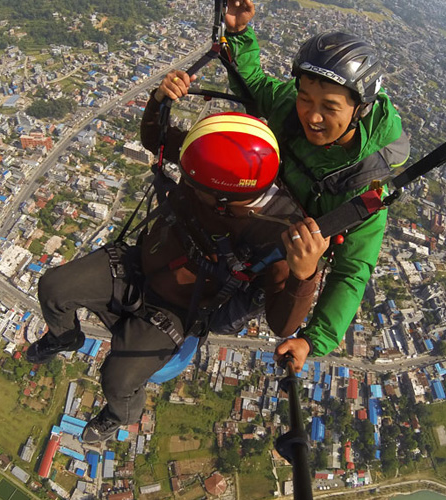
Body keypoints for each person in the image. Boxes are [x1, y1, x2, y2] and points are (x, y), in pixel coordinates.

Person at [26, 78, 329, 443]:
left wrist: (304, 274)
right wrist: (159, 99)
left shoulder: (277, 233)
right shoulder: (213, 166)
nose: (186, 182)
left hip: (176, 311)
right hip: (138, 265)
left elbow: (283, 324)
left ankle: (122, 413)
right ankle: (65, 338)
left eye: (195, 183)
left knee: (118, 381)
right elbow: (156, 140)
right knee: (54, 288)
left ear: (223, 196)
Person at [218, 0, 409, 371]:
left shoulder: (364, 190)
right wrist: (238, 32)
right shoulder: (291, 110)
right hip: (248, 220)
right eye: (305, 99)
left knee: (219, 319)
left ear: (360, 109)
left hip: (284, 260)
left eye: (330, 107)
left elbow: (351, 272)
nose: (313, 116)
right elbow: (254, 85)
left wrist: (311, 340)